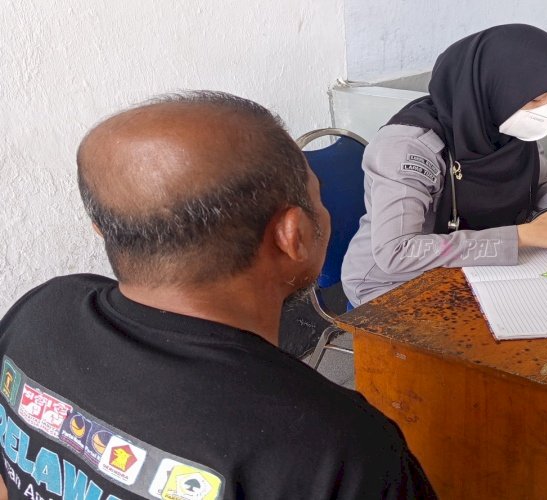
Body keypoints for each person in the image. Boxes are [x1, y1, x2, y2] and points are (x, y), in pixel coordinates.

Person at [0, 92, 435, 499]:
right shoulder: (338, 449)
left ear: (102, 227)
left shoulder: (42, 310)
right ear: (293, 236)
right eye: (317, 200)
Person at [342, 24, 547, 306]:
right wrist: (522, 237)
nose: (546, 112)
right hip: (393, 283)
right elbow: (397, 253)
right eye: (535, 99)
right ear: (493, 88)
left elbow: (540, 188)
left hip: (473, 265)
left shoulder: (505, 125)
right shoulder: (409, 147)